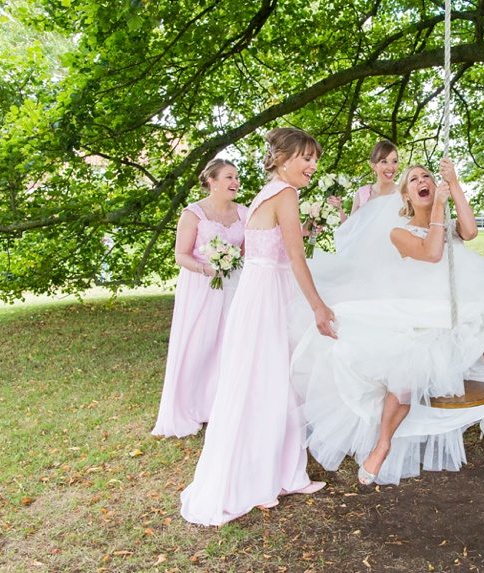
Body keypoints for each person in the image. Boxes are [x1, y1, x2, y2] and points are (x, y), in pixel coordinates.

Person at [291, 160, 484, 486]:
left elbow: (470, 231)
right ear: (406, 197)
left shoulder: (449, 221)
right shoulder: (399, 232)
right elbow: (431, 254)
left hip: (471, 301)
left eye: (426, 176)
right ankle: (383, 442)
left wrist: (454, 185)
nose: (421, 181)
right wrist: (439, 207)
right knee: (404, 381)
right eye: (413, 179)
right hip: (423, 309)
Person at [180, 128, 336, 526]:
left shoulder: (265, 194)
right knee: (268, 381)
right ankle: (264, 477)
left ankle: (283, 472)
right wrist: (318, 307)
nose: (312, 165)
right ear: (283, 160)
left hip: (259, 292)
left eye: (314, 158)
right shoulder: (284, 194)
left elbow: (279, 247)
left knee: (268, 381)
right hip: (267, 296)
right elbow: (297, 259)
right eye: (306, 157)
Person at [152, 159, 248, 438]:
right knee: (199, 344)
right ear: (212, 181)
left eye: (237, 177)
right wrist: (207, 268)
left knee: (229, 342)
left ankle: (221, 405)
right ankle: (190, 405)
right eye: (229, 177)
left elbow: (251, 248)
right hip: (200, 285)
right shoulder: (193, 213)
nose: (235, 182)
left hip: (233, 284)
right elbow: (180, 255)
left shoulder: (244, 212)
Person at [350, 140, 400, 215]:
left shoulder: (405, 192)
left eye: (394, 161)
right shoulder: (362, 194)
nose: (390, 168)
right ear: (373, 165)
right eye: (384, 162)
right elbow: (350, 225)